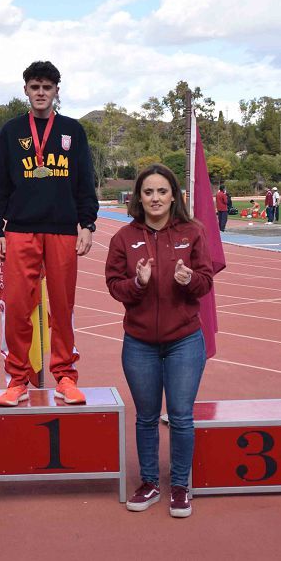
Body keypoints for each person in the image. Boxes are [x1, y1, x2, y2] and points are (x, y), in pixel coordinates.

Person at [105, 164, 214, 519]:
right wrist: (137, 283)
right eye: (148, 192)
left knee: (181, 417)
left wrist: (188, 279)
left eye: (162, 191)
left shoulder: (192, 232)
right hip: (139, 343)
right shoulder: (123, 238)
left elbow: (206, 280)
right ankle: (149, 482)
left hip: (184, 340)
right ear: (138, 197)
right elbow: (114, 286)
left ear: (173, 196)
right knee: (147, 418)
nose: (155, 198)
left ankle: (180, 487)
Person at [0, 60, 98, 406]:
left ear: (56, 92)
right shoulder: (11, 131)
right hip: (20, 230)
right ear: (25, 90)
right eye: (34, 87)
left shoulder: (72, 131)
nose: (40, 93)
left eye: (46, 87)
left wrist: (88, 223)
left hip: (63, 230)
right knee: (18, 307)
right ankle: (17, 379)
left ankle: (65, 376)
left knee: (63, 308)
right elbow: (0, 185)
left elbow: (84, 181)